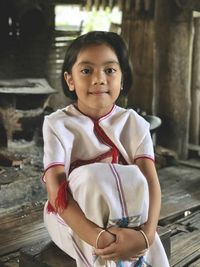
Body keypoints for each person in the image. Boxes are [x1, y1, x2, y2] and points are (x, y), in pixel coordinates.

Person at [42, 31, 170, 267]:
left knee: (134, 176)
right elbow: (56, 192)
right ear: (70, 80)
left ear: (122, 79)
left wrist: (146, 235)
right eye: (86, 70)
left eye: (110, 70)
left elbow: (151, 184)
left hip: (131, 224)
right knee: (91, 175)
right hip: (71, 220)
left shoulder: (134, 124)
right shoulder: (57, 124)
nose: (99, 79)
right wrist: (99, 238)